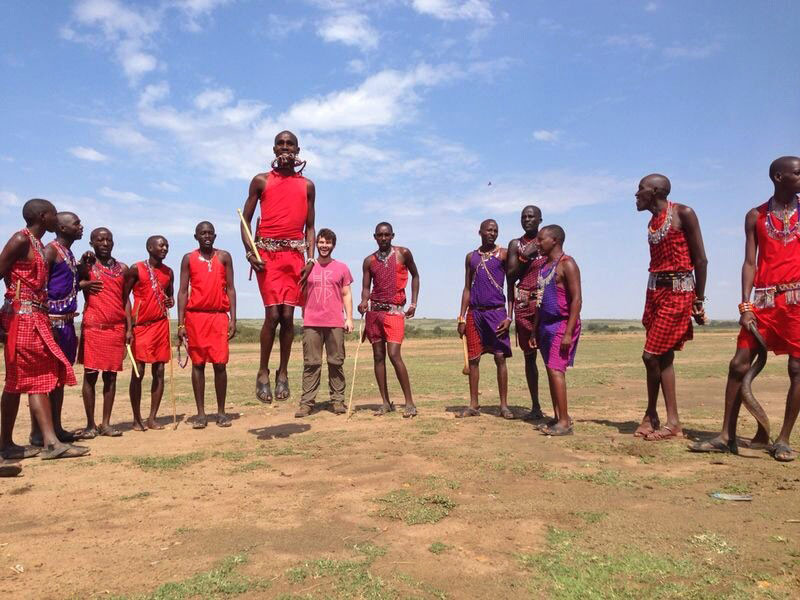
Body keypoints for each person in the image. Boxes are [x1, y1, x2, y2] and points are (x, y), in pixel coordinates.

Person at [691, 156, 800, 461]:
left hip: (797, 303)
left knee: (797, 369)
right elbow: (750, 262)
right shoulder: (755, 215)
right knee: (739, 364)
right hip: (763, 302)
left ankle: (783, 439)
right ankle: (726, 435)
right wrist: (745, 304)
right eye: (797, 172)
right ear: (779, 177)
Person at [0, 199, 88, 460]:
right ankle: (49, 442)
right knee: (35, 377)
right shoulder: (21, 239)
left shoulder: (38, 244)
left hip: (35, 315)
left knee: (20, 380)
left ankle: (7, 444)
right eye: (52, 213)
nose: (55, 217)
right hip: (22, 315)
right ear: (43, 216)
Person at [240, 130, 316, 404]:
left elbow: (310, 227)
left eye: (290, 144)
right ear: (274, 149)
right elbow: (245, 220)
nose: (285, 148)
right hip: (267, 255)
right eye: (281, 143)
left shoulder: (307, 185)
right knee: (272, 315)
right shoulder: (261, 181)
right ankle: (262, 372)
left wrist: (310, 258)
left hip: (295, 256)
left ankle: (283, 372)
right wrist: (250, 251)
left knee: (288, 317)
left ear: (297, 149)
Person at [635, 174, 708, 441]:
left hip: (679, 292)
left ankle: (655, 416)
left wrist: (699, 300)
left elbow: (701, 259)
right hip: (654, 291)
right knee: (663, 357)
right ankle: (664, 420)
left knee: (650, 355)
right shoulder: (653, 221)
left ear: (654, 191)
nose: (636, 194)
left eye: (640, 189)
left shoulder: (683, 213)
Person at [29, 212, 83, 446]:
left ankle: (56, 427)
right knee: (45, 379)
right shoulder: (50, 251)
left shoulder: (69, 253)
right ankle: (38, 432)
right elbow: (39, 284)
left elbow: (65, 286)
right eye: (76, 223)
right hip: (51, 322)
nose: (81, 227)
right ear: (61, 227)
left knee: (60, 378)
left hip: (68, 323)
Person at [177, 222, 236, 429]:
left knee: (220, 364)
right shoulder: (188, 259)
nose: (207, 236)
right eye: (203, 233)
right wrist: (180, 323)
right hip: (196, 318)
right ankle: (201, 413)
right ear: (196, 237)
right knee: (198, 364)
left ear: (215, 235)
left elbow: (230, 288)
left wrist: (233, 319)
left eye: (210, 233)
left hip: (219, 316)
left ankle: (221, 412)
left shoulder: (224, 257)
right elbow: (183, 291)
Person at [358, 222, 419, 418]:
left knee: (394, 354)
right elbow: (366, 287)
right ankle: (385, 402)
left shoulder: (403, 253)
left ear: (392, 235)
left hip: (394, 312)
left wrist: (414, 303)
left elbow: (416, 276)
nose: (383, 238)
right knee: (378, 356)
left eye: (386, 235)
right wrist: (363, 301)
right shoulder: (369, 261)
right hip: (374, 313)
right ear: (374, 237)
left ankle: (409, 402)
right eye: (379, 235)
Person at [456, 219, 514, 419]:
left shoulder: (504, 254)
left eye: (495, 230)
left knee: (500, 357)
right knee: (473, 359)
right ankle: (473, 404)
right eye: (489, 230)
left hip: (497, 312)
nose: (492, 233)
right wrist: (461, 317)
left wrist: (509, 316)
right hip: (475, 313)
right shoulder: (471, 257)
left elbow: (511, 286)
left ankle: (504, 406)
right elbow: (467, 288)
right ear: (479, 232)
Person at [295, 228, 354, 418]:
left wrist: (349, 318)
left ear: (333, 245)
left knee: (336, 362)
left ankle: (337, 401)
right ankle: (306, 403)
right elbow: (300, 291)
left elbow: (346, 294)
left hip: (335, 321)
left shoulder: (342, 268)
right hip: (312, 321)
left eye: (328, 243)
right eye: (321, 242)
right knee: (311, 363)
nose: (324, 246)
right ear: (316, 244)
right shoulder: (308, 267)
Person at [77, 227, 128, 438]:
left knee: (111, 377)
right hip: (94, 327)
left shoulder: (123, 269)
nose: (105, 243)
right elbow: (74, 283)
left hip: (116, 328)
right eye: (100, 240)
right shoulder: (87, 265)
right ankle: (90, 424)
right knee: (90, 377)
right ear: (92, 244)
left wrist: (129, 329)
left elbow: (126, 300)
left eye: (108, 240)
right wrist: (84, 279)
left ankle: (106, 423)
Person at [534, 225, 582, 436]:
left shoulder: (567, 264)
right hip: (545, 324)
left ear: (554, 240)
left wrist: (569, 332)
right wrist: (536, 329)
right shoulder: (545, 266)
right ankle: (557, 416)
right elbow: (540, 300)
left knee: (556, 369)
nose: (537, 243)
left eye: (541, 239)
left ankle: (564, 422)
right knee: (550, 370)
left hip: (563, 323)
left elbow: (577, 300)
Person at [123, 236, 174, 431]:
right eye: (161, 245)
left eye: (167, 245)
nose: (165, 248)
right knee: (139, 372)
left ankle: (152, 418)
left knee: (159, 371)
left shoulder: (168, 272)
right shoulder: (136, 269)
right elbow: (124, 297)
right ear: (149, 247)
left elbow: (170, 296)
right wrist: (128, 327)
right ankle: (137, 419)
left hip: (161, 324)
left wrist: (170, 302)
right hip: (141, 326)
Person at [506, 205, 546, 421]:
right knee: (529, 357)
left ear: (540, 219)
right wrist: (524, 257)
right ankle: (536, 406)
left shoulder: (548, 240)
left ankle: (559, 411)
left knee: (550, 357)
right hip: (524, 306)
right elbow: (510, 276)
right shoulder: (516, 244)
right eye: (524, 217)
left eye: (531, 217)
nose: (527, 220)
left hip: (546, 305)